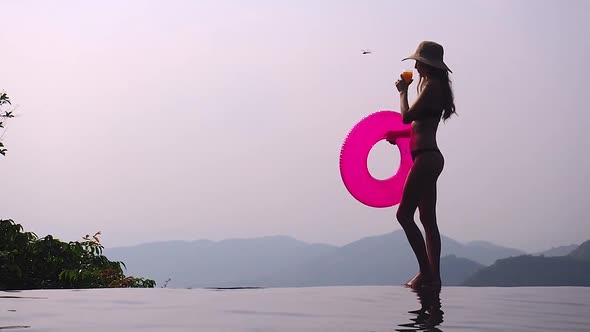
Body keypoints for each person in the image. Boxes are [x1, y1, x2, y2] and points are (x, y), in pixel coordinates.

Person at [386, 41, 456, 289]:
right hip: (426, 156)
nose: (414, 66)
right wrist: (396, 134)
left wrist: (402, 91)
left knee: (404, 215)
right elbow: (417, 127)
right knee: (427, 219)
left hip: (427, 158)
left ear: (428, 65)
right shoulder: (430, 86)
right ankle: (434, 277)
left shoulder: (432, 87)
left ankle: (426, 273)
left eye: (418, 62)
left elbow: (407, 116)